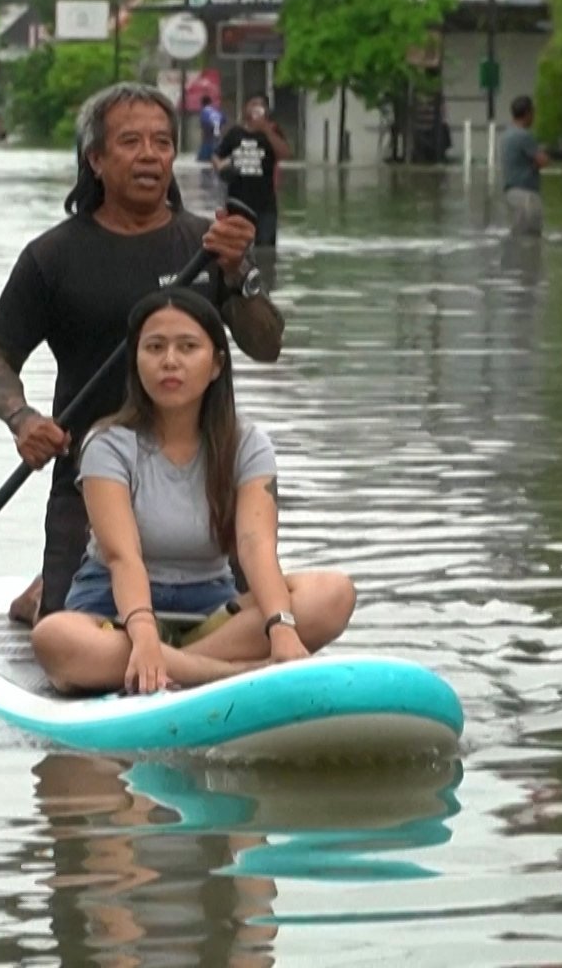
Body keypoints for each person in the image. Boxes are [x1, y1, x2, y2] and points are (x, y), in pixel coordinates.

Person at [0, 83, 285, 626]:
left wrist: (239, 273)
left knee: (260, 618)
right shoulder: (52, 256)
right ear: (95, 158)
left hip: (203, 474)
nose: (150, 155)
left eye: (163, 142)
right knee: (65, 633)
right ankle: (43, 594)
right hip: (91, 476)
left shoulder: (211, 247)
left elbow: (266, 346)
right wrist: (23, 420)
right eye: (130, 142)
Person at [31, 289, 354, 694]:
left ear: (217, 364)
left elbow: (255, 546)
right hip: (116, 612)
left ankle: (174, 665)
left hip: (211, 609)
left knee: (333, 593)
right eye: (154, 347)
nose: (170, 361)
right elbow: (122, 554)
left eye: (187, 347)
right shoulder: (108, 443)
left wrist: (282, 627)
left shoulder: (247, 444)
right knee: (54, 638)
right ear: (136, 361)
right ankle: (230, 673)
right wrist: (145, 633)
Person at [213, 94, 291, 247]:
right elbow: (216, 155)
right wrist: (221, 167)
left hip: (265, 205)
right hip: (237, 202)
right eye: (252, 104)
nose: (256, 108)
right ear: (245, 108)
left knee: (266, 249)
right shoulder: (235, 133)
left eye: (260, 105)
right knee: (236, 247)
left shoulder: (272, 132)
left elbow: (285, 155)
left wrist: (266, 130)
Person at [500, 96, 548, 237]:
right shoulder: (524, 136)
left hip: (511, 192)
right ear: (527, 113)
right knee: (530, 236)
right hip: (526, 193)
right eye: (533, 113)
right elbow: (543, 160)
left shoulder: (506, 134)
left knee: (517, 235)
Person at [197, 96, 225, 163]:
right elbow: (223, 120)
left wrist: (204, 133)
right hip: (217, 134)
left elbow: (204, 124)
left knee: (203, 160)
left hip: (208, 137)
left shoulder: (204, 112)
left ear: (202, 104)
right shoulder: (216, 111)